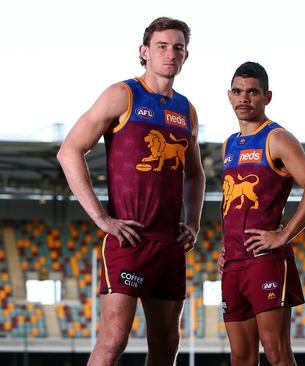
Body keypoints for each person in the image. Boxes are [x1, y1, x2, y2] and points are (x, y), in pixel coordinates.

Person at [57, 17, 205, 366]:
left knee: (167, 344)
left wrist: (194, 222)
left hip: (169, 244)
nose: (171, 54)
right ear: (145, 52)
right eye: (162, 47)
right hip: (129, 240)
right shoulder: (122, 94)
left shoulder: (186, 110)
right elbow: (69, 150)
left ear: (186, 56)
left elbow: (195, 173)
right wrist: (103, 218)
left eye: (178, 48)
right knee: (113, 339)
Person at [216, 62, 305, 366]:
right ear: (229, 95)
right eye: (237, 91)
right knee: (241, 357)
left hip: (265, 260)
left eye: (252, 92)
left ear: (267, 96)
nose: (244, 98)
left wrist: (283, 234)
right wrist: (227, 246)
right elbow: (232, 205)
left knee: (277, 353)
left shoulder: (276, 138)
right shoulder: (229, 145)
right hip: (234, 263)